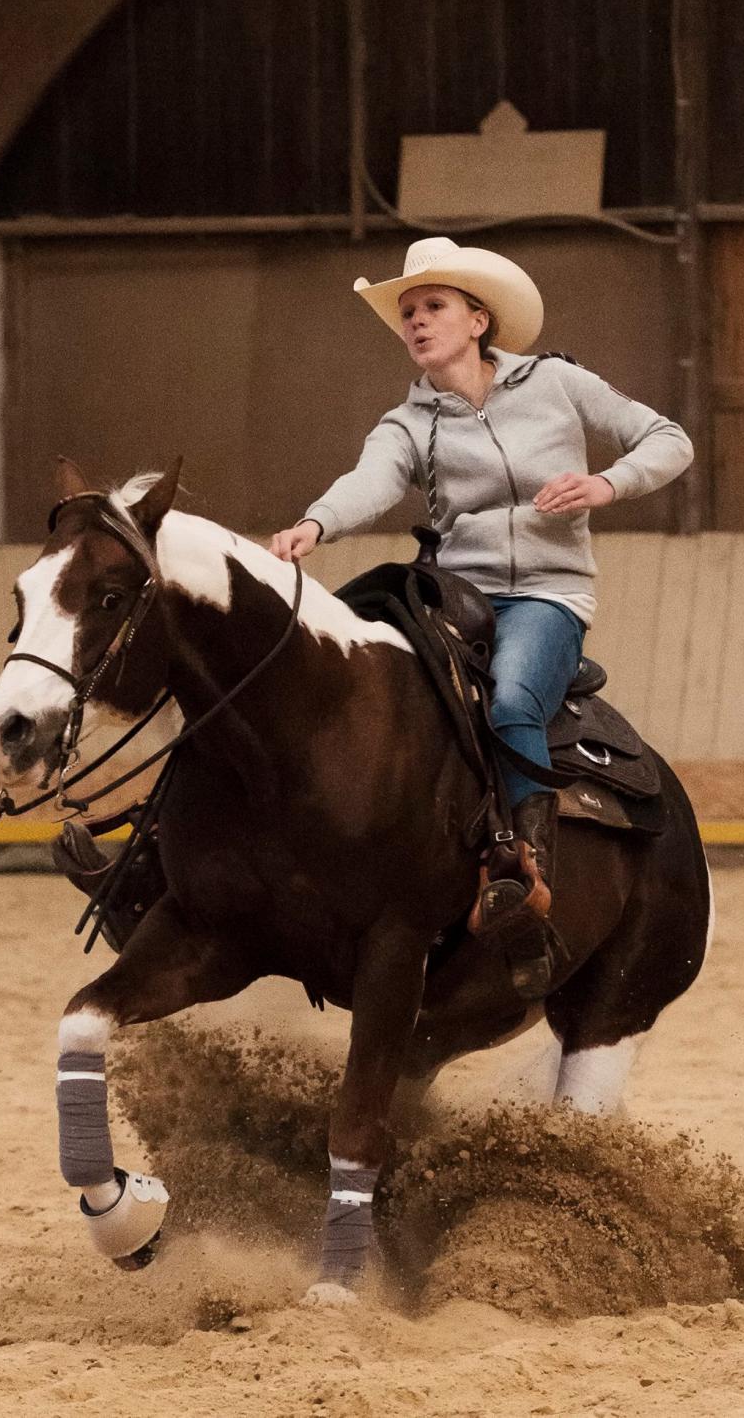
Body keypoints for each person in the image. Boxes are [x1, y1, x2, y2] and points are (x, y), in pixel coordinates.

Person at [271, 237, 693, 997]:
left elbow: (669, 439)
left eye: (433, 307)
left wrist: (607, 485)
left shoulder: (557, 382)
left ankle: (524, 879)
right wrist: (316, 525)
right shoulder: (407, 423)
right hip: (452, 596)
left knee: (509, 702)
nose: (417, 323)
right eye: (407, 313)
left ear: (477, 319)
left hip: (546, 594)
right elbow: (369, 482)